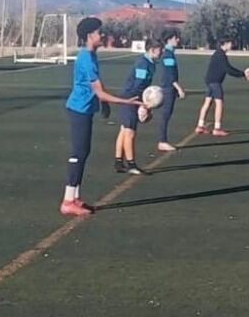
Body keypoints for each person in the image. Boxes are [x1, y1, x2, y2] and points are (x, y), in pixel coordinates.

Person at [60, 17, 139, 217]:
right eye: (98, 32)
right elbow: (100, 91)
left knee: (84, 152)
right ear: (89, 36)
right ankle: (68, 201)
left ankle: (75, 197)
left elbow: (98, 88)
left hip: (86, 109)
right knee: (78, 153)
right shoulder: (86, 58)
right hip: (78, 110)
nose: (102, 34)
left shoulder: (91, 55)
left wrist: (103, 104)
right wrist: (126, 102)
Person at [113, 37, 163, 176]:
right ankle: (131, 164)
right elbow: (138, 86)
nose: (162, 53)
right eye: (160, 50)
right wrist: (144, 104)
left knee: (124, 130)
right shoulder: (143, 64)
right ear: (153, 50)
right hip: (130, 98)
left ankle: (118, 162)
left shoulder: (151, 63)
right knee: (130, 132)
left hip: (133, 98)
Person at [195, 37, 249, 137]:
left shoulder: (218, 54)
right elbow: (228, 69)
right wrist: (243, 74)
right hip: (215, 82)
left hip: (210, 81)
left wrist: (242, 74)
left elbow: (227, 68)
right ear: (225, 44)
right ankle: (217, 128)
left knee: (207, 102)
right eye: (230, 43)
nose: (231, 45)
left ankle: (200, 126)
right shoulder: (221, 55)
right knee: (219, 103)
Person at [153, 30, 186, 152]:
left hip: (168, 88)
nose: (178, 40)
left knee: (166, 115)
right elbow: (170, 74)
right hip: (168, 88)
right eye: (176, 38)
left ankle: (163, 140)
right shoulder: (168, 55)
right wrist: (179, 88)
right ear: (170, 39)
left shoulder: (169, 53)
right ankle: (162, 141)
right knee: (165, 115)